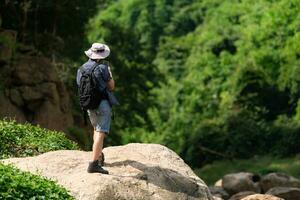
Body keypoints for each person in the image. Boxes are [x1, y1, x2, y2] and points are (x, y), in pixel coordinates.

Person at [76, 43, 114, 174]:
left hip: (89, 104)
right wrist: (109, 74)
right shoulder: (103, 68)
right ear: (102, 55)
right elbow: (111, 87)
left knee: (96, 129)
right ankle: (93, 164)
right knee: (100, 131)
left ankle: (98, 157)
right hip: (102, 104)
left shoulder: (81, 69)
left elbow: (79, 85)